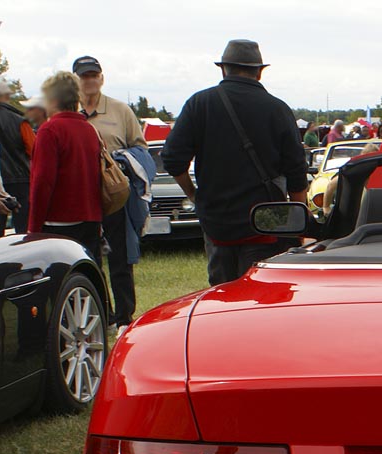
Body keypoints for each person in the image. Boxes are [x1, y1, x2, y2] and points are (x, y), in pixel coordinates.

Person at [161, 39, 308, 285]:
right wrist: (297, 222)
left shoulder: (199, 104)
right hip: (267, 223)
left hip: (218, 222)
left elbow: (172, 159)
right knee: (262, 294)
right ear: (259, 72)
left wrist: (194, 194)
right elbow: (296, 172)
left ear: (223, 69)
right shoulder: (278, 109)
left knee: (222, 296)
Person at [75, 55, 147, 328]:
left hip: (114, 196)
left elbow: (141, 150)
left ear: (102, 78)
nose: (90, 80)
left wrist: (120, 160)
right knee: (88, 258)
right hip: (81, 198)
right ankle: (100, 313)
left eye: (94, 75)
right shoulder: (67, 112)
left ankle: (124, 317)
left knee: (120, 257)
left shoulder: (121, 110)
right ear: (75, 81)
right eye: (84, 76)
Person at [27, 71, 102, 261]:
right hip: (90, 217)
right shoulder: (90, 129)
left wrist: (33, 228)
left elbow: (42, 182)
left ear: (53, 99)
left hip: (58, 220)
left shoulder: (49, 130)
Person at [0, 77, 34, 234]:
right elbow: (33, 150)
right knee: (23, 230)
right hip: (21, 180)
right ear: (8, 96)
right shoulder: (20, 121)